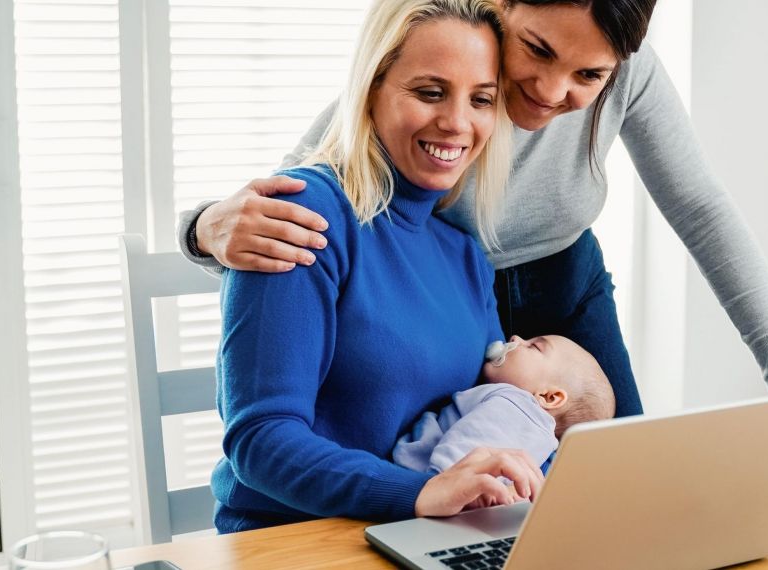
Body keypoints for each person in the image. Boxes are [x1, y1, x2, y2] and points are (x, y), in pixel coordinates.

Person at [181, 0, 768, 422]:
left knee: (618, 486)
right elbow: (305, 186)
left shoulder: (627, 69)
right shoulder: (449, 53)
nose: (550, 93)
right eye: (538, 51)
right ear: (501, 8)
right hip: (441, 305)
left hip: (566, 290)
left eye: (587, 75)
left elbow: (701, 208)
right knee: (451, 488)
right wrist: (204, 229)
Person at [213, 0, 546, 534]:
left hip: (422, 534)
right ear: (370, 92)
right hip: (297, 539)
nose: (457, 123)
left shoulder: (465, 255)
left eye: (481, 99)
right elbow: (260, 441)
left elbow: (486, 412)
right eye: (430, 92)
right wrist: (419, 494)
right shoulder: (304, 216)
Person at [393, 334, 615, 477]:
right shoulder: (543, 444)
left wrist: (435, 485)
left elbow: (460, 465)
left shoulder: (515, 406)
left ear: (548, 397)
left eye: (534, 347)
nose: (516, 338)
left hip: (421, 481)